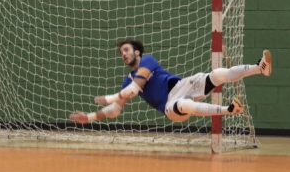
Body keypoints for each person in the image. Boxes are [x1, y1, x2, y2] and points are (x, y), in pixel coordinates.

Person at [69, 39, 272, 124]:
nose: (123, 54)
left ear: (137, 52)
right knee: (183, 105)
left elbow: (134, 89)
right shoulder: (126, 81)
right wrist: (89, 117)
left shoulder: (147, 61)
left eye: (126, 50)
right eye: (121, 52)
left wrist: (108, 97)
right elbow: (115, 110)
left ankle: (260, 68)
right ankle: (228, 110)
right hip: (170, 106)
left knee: (218, 74)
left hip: (181, 86)